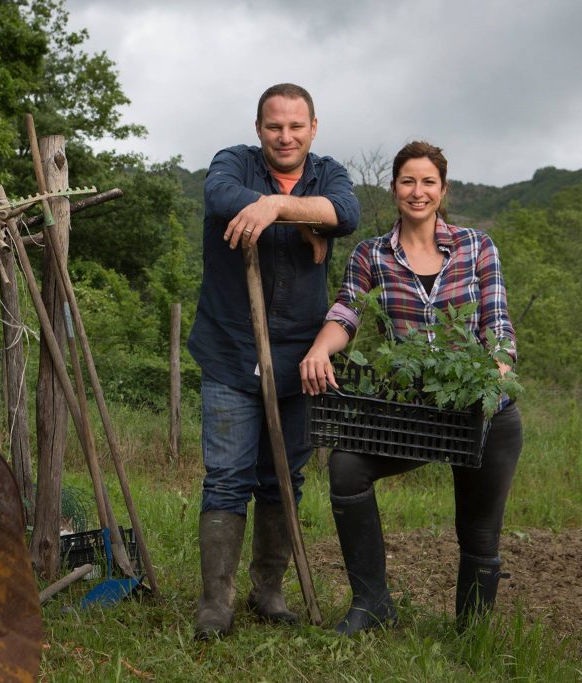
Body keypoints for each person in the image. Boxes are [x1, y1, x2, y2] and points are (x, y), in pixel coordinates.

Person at [299, 141, 524, 635]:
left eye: (427, 182)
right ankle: (373, 603)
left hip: (482, 410)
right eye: (407, 181)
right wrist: (320, 349)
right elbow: (346, 312)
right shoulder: (372, 254)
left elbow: (498, 324)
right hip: (418, 409)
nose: (417, 192)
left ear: (442, 190)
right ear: (394, 187)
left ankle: (473, 634)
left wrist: (497, 369)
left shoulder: (477, 247)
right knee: (347, 465)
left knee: (479, 531)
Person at [187, 83, 360, 639]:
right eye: (273, 126)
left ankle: (269, 590)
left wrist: (277, 206)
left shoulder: (327, 173)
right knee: (228, 476)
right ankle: (216, 601)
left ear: (313, 127)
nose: (285, 136)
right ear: (258, 129)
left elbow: (347, 212)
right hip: (232, 351)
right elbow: (219, 197)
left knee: (284, 476)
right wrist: (299, 218)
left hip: (299, 359)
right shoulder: (232, 163)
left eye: (295, 126)